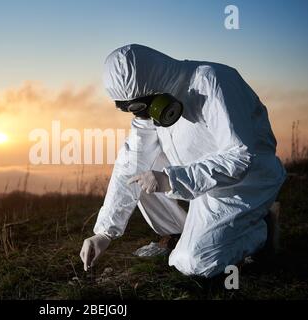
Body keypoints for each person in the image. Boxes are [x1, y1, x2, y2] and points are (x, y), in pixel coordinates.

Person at [79, 44, 286, 277]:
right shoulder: (152, 102)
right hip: (196, 180)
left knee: (195, 263)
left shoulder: (213, 82)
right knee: (140, 169)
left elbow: (240, 155)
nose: (144, 116)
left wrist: (171, 180)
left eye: (143, 108)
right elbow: (131, 163)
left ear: (155, 85)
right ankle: (178, 232)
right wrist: (105, 233)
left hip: (242, 184)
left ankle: (260, 229)